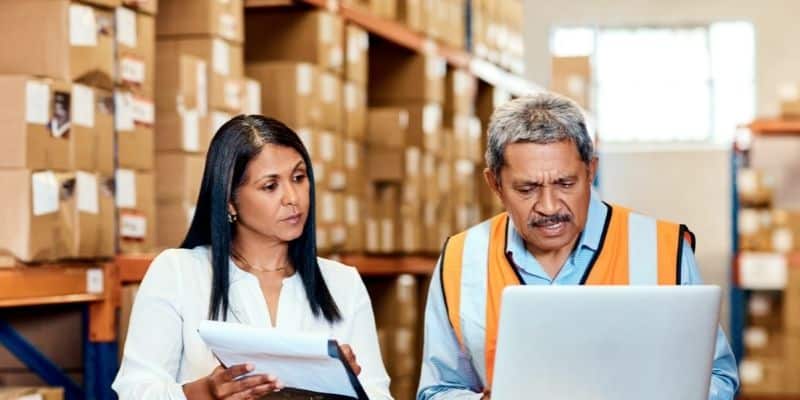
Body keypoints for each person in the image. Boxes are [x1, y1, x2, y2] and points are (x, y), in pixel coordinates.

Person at [416, 93, 739, 400]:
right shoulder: (462, 259)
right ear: (495, 184)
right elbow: (436, 390)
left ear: (591, 171)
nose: (549, 206)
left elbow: (718, 377)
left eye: (565, 184)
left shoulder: (663, 249)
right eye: (527, 189)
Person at [113, 115, 392, 400]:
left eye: (299, 177)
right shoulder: (178, 273)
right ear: (230, 201)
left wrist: (343, 390)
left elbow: (377, 393)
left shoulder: (343, 284)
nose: (292, 197)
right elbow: (136, 389)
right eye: (270, 186)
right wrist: (205, 393)